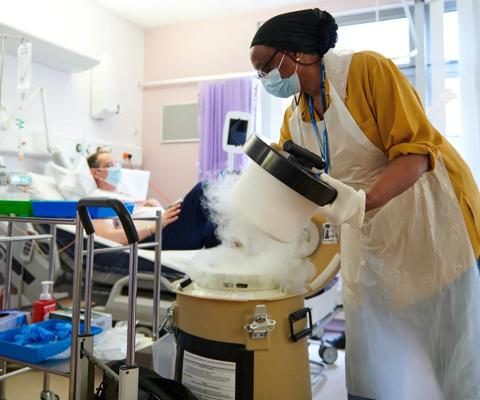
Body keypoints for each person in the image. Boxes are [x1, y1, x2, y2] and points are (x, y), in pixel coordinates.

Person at [250, 9, 480, 400]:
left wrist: (362, 202)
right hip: (369, 234)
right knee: (374, 354)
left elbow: (417, 154)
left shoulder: (365, 72)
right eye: (258, 75)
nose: (265, 80)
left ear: (298, 53)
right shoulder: (297, 117)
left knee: (451, 351)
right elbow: (295, 181)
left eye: (266, 67)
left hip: (430, 224)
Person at [87, 150, 219, 249]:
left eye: (116, 164)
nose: (116, 168)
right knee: (204, 189)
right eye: (109, 165)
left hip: (163, 226)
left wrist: (158, 208)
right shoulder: (98, 198)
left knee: (214, 224)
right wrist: (154, 226)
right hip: (153, 236)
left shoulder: (123, 195)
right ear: (95, 172)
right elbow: (108, 235)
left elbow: (134, 216)